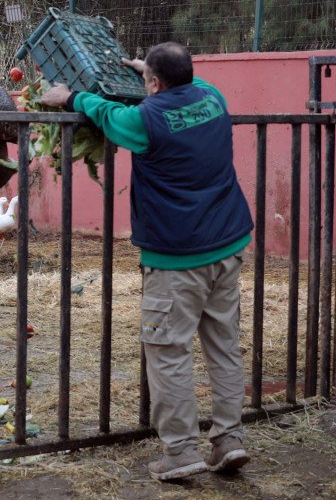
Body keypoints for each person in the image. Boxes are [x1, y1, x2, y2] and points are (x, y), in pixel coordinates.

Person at [41, 41, 253, 481]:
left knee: (168, 351)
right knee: (224, 346)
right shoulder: (214, 98)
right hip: (228, 244)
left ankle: (179, 452)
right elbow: (190, 85)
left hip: (177, 257)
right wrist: (150, 70)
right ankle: (229, 438)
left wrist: (70, 98)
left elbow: (108, 115)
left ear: (154, 83)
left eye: (146, 80)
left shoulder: (146, 120)